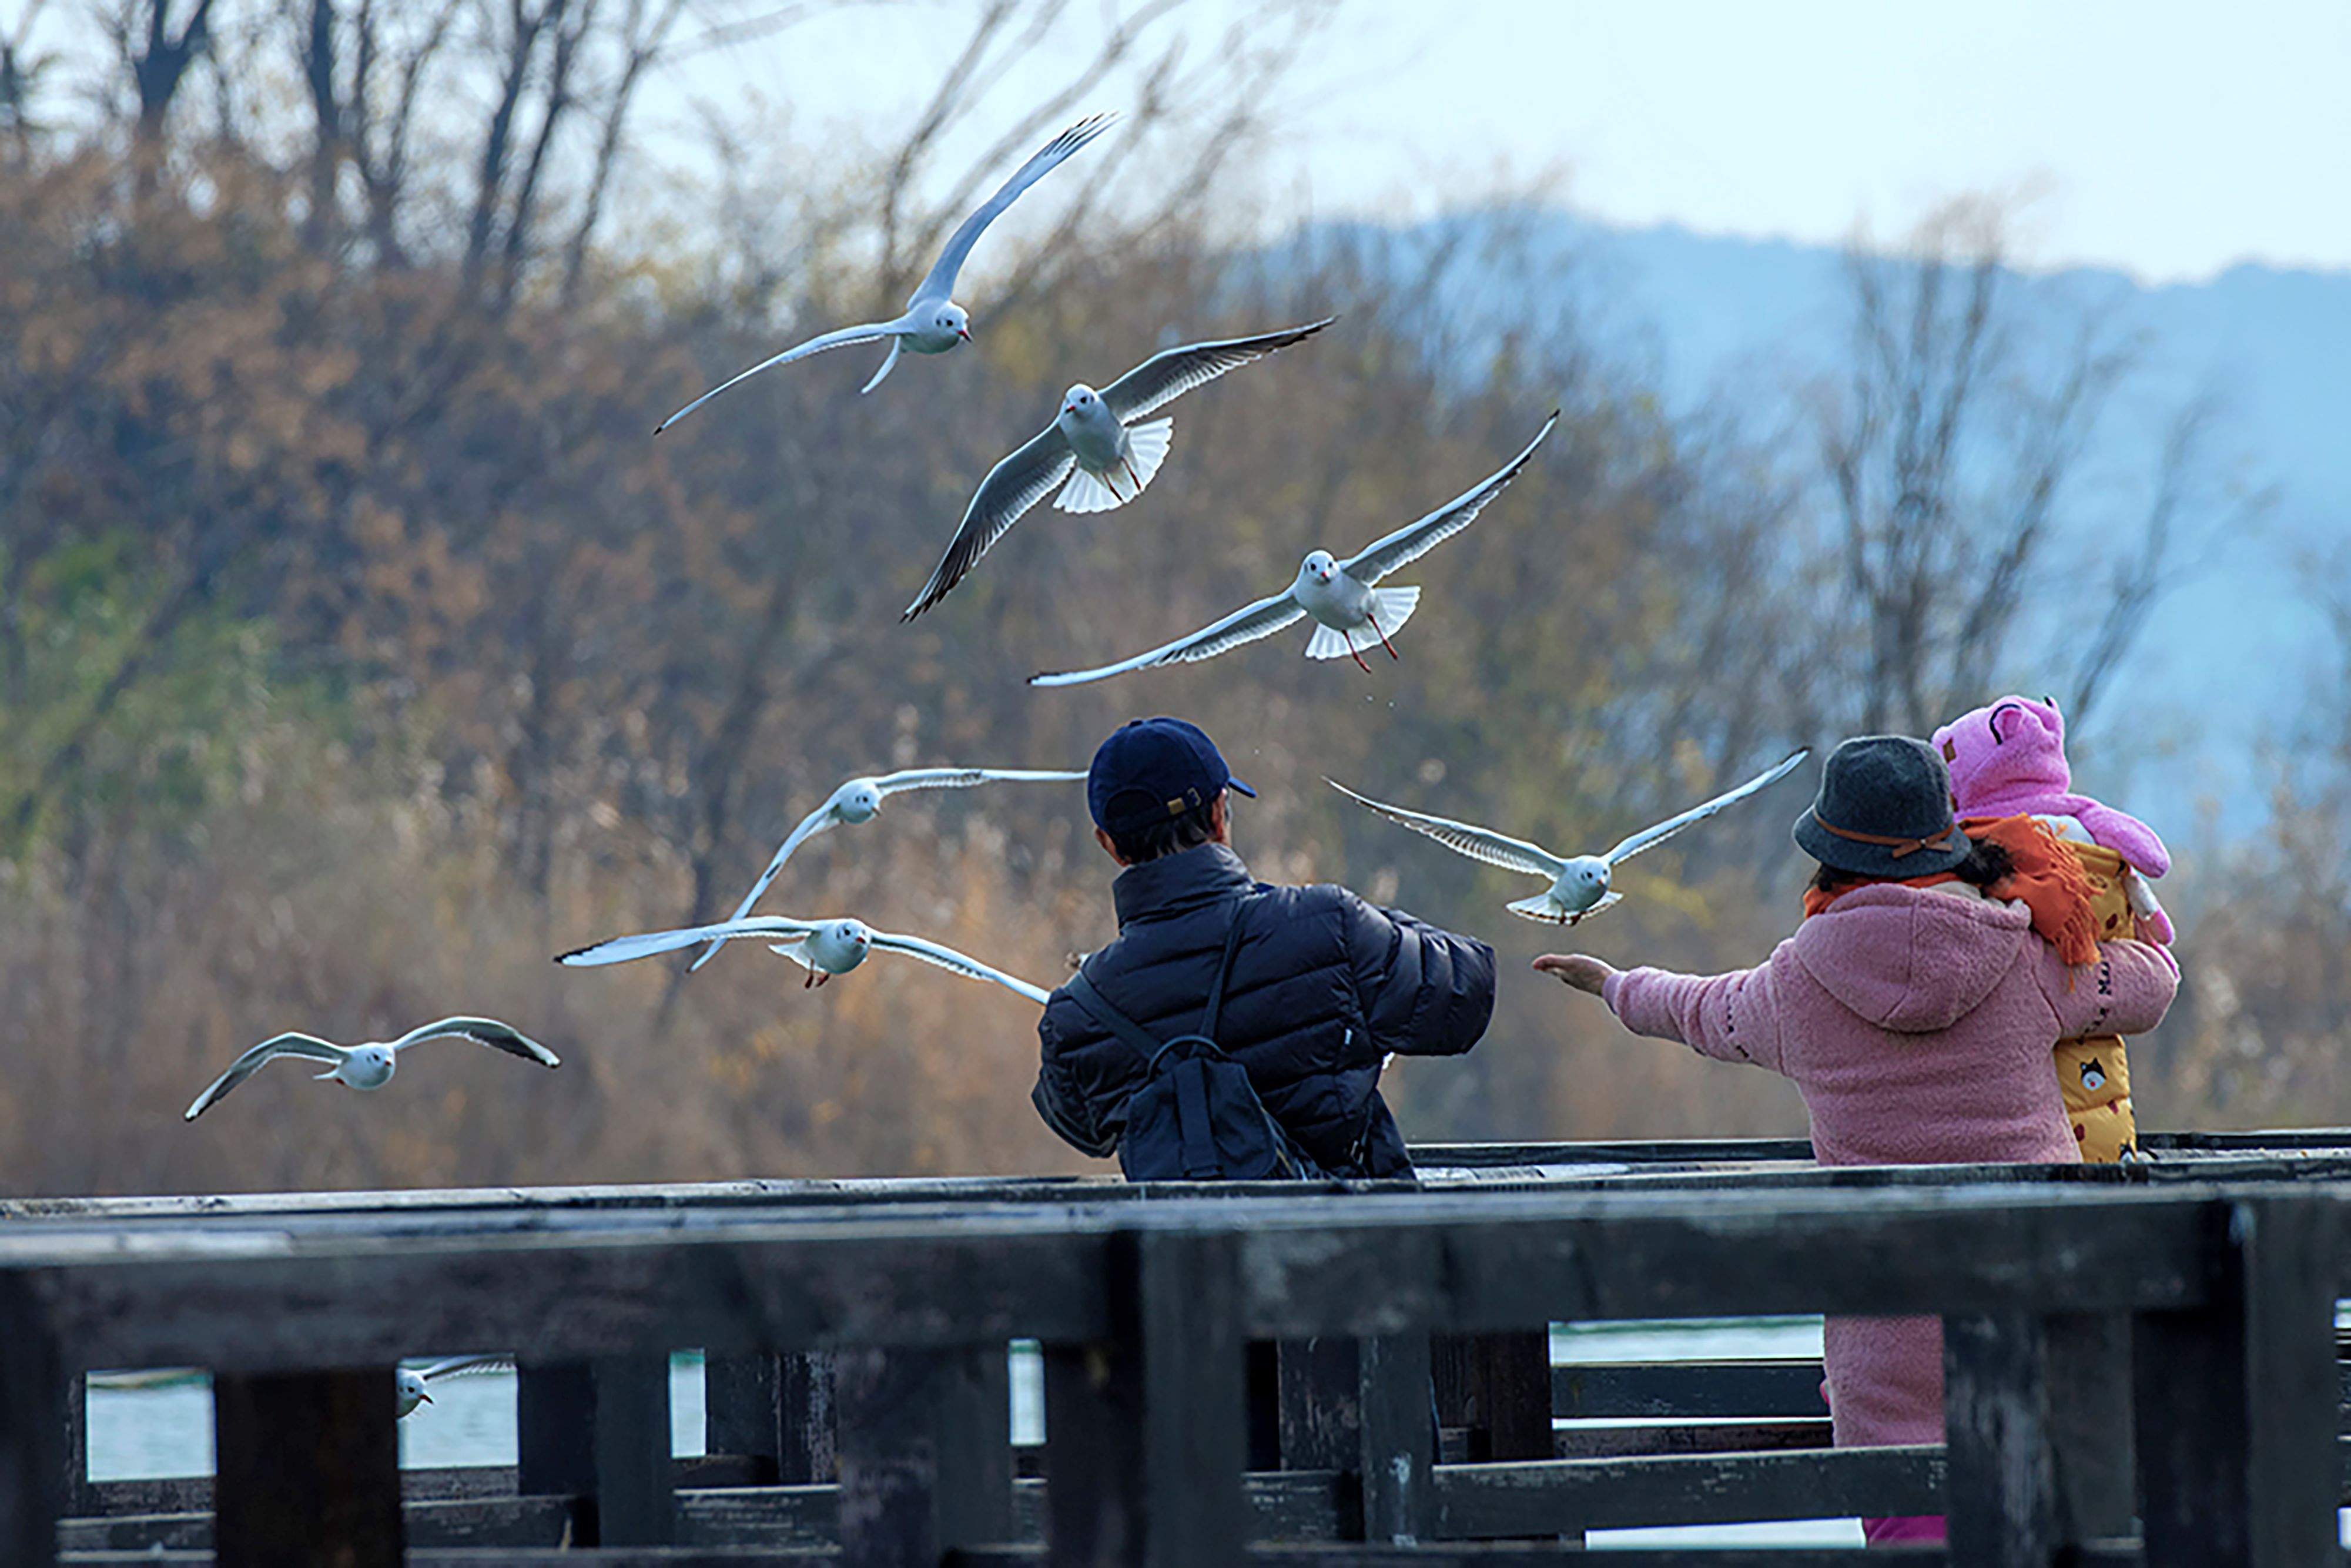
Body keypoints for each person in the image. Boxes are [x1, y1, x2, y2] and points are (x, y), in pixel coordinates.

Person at [1531, 735, 2178, 1545]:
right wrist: (2125, 916)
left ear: (1831, 859)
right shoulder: (2024, 962)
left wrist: (1615, 986)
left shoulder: (1794, 990)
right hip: (2037, 1334)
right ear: (1951, 845)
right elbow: (2149, 988)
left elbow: (1698, 1010)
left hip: (1887, 1371)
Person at [1033, 716, 1496, 1178]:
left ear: (1109, 845)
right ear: (1219, 812)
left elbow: (1079, 1128)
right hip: (1352, 1242)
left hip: (1184, 1251)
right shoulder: (1328, 926)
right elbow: (1466, 997)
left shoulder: (1076, 1017)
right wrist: (1358, 918)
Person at [1932, 694, 2175, 1161]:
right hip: (2095, 996)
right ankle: (2106, 1152)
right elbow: (2148, 862)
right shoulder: (2086, 824)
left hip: (2006, 1073)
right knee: (2094, 1079)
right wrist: (2155, 936)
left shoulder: (1968, 850)